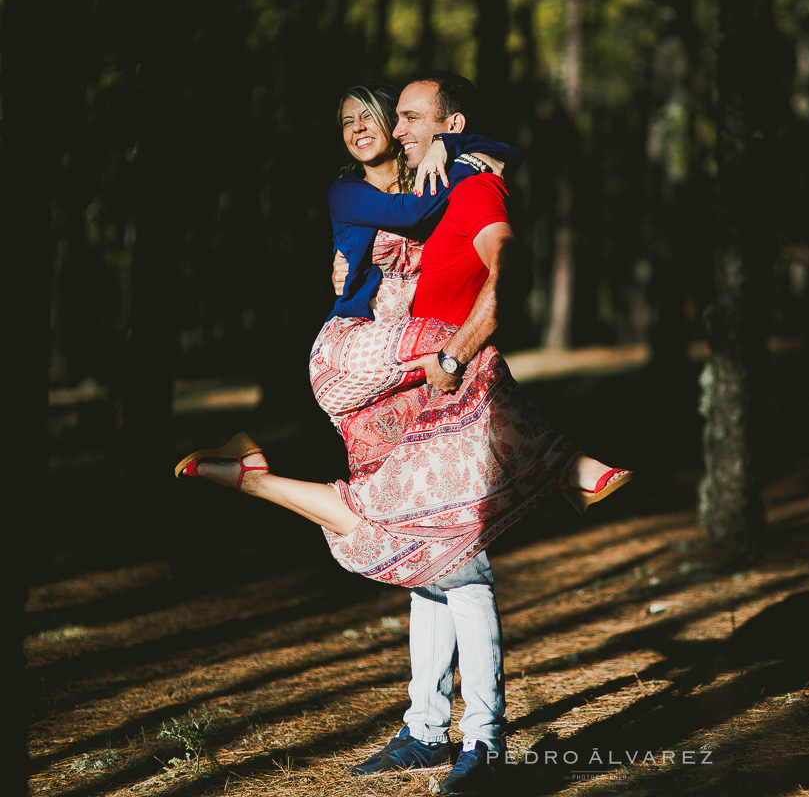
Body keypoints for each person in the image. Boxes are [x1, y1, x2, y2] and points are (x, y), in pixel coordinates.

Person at [175, 74, 631, 794]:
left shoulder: (458, 178)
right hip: (372, 364)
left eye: (385, 117)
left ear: (408, 125)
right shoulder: (376, 192)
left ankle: (440, 730)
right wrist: (459, 169)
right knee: (457, 552)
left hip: (414, 389)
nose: (364, 127)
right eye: (347, 119)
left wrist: (473, 157)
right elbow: (413, 219)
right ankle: (564, 468)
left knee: (434, 557)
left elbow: (488, 212)